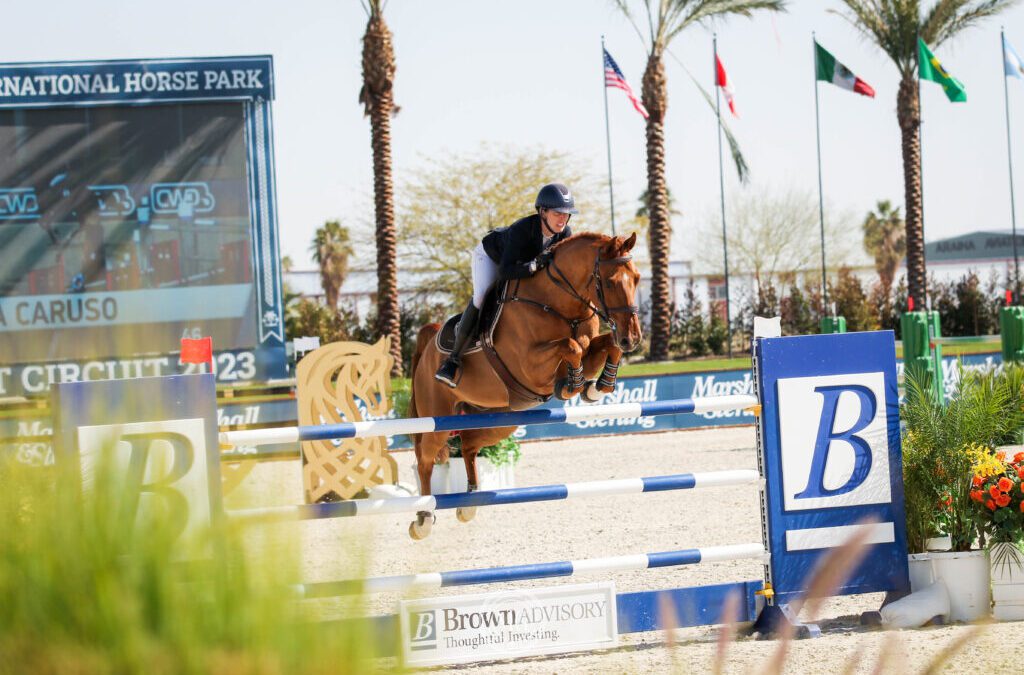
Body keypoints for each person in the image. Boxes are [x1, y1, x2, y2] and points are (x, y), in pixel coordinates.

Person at [434, 182, 578, 387]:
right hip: (491, 258)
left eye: (567, 214)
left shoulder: (565, 234)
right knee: (482, 296)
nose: (563, 218)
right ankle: (452, 361)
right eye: (558, 213)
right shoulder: (522, 230)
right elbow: (505, 271)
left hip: (520, 265)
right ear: (543, 212)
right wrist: (532, 266)